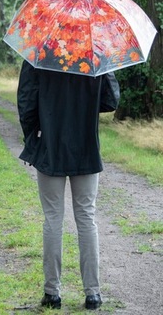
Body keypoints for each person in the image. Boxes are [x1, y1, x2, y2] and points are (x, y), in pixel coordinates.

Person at [17, 60, 119, 310]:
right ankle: (92, 294)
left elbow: (26, 102)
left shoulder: (38, 55)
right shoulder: (95, 55)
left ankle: (52, 293)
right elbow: (110, 101)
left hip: (50, 145)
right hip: (85, 147)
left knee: (52, 218)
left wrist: (34, 137)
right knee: (86, 217)